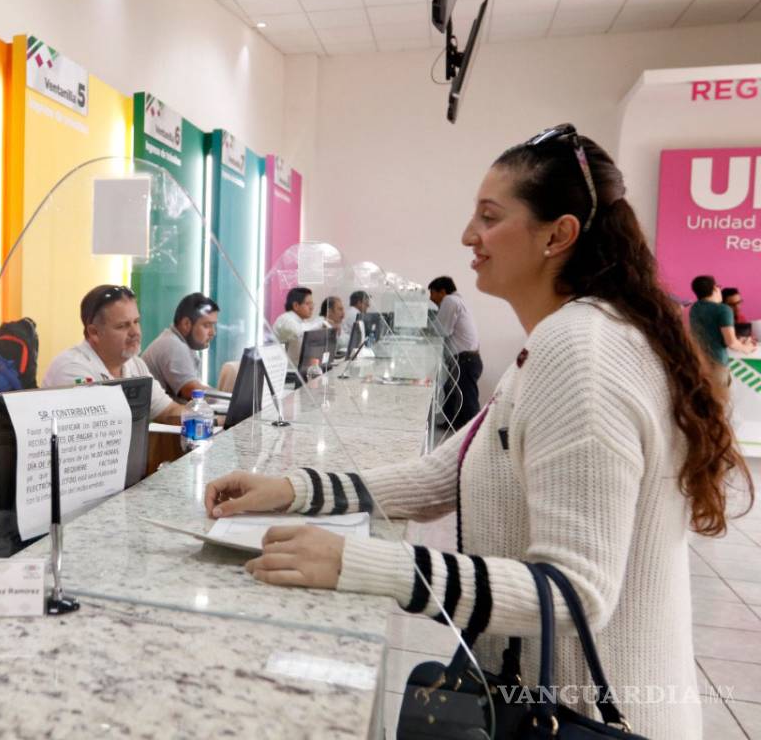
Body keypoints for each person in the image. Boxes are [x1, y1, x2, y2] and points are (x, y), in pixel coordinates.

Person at [204, 125, 752, 739]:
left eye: (489, 218)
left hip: (591, 721)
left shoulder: (583, 350)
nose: (469, 236)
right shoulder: (569, 337)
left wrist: (359, 563)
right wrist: (291, 488)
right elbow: (444, 473)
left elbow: (573, 593)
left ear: (559, 234)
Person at [41, 284, 183, 421]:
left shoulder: (135, 365)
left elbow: (168, 411)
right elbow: (103, 429)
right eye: (123, 326)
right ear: (94, 332)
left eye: (136, 321)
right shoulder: (71, 368)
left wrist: (199, 415)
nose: (135, 332)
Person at [141, 292, 220, 399]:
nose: (212, 332)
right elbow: (192, 392)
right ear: (186, 324)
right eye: (207, 325)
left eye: (213, 326)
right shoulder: (173, 345)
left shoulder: (178, 342)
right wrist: (228, 398)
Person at [429, 275, 482, 428]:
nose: (431, 298)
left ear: (442, 291)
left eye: (432, 293)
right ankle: (452, 425)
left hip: (465, 360)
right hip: (467, 359)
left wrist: (426, 329)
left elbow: (443, 329)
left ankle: (473, 433)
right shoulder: (459, 301)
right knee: (452, 392)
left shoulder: (450, 300)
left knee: (467, 399)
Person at [690, 276, 756, 387]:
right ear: (715, 288)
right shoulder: (723, 309)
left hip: (699, 363)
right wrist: (747, 348)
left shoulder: (695, 308)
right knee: (721, 399)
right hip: (717, 364)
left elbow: (710, 333)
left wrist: (738, 339)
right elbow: (731, 343)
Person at [272, 287, 327, 362]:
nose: (312, 307)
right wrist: (321, 323)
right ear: (296, 306)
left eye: (312, 304)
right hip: (282, 370)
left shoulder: (301, 321)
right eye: (308, 304)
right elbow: (298, 331)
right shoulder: (286, 319)